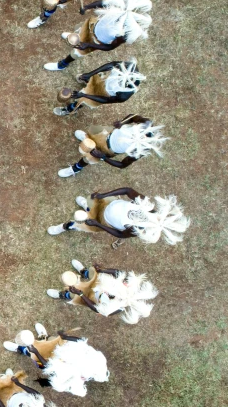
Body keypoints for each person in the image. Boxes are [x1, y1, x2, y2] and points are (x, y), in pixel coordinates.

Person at [44, 0, 152, 71]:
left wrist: (89, 45)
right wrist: (86, 7)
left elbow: (109, 47)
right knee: (79, 30)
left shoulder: (125, 33)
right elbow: (102, 3)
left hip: (95, 41)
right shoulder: (120, 5)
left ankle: (62, 65)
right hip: (91, 24)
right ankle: (75, 36)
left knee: (76, 53)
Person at [47, 188, 190, 245]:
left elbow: (120, 234)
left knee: (78, 225)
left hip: (104, 222)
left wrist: (98, 225)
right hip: (110, 203)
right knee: (91, 205)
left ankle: (64, 227)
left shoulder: (138, 229)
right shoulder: (146, 205)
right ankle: (86, 205)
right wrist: (104, 195)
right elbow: (128, 191)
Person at [2, 323, 109, 397]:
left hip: (46, 361)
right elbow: (81, 342)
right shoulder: (91, 358)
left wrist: (36, 352)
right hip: (62, 349)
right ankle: (44, 337)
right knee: (52, 342)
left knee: (36, 357)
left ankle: (21, 348)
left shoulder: (71, 376)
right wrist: (65, 337)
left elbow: (48, 365)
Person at [47, 259, 158, 324]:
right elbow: (118, 273)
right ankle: (84, 272)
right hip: (100, 282)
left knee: (74, 296)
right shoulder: (130, 286)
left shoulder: (115, 308)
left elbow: (96, 308)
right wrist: (102, 270)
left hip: (90, 297)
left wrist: (80, 294)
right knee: (93, 275)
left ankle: (64, 294)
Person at [57, 114, 167, 177]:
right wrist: (122, 122)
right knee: (92, 131)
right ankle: (86, 138)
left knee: (87, 159)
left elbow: (122, 165)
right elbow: (133, 117)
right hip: (108, 133)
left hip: (108, 150)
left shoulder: (142, 149)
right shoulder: (146, 124)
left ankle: (76, 168)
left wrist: (103, 157)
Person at [52, 59, 145, 116]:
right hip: (104, 81)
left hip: (105, 94)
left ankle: (70, 109)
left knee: (83, 100)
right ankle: (87, 80)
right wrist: (90, 74)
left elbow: (106, 100)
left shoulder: (124, 95)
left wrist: (85, 95)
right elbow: (112, 64)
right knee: (94, 80)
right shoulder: (130, 68)